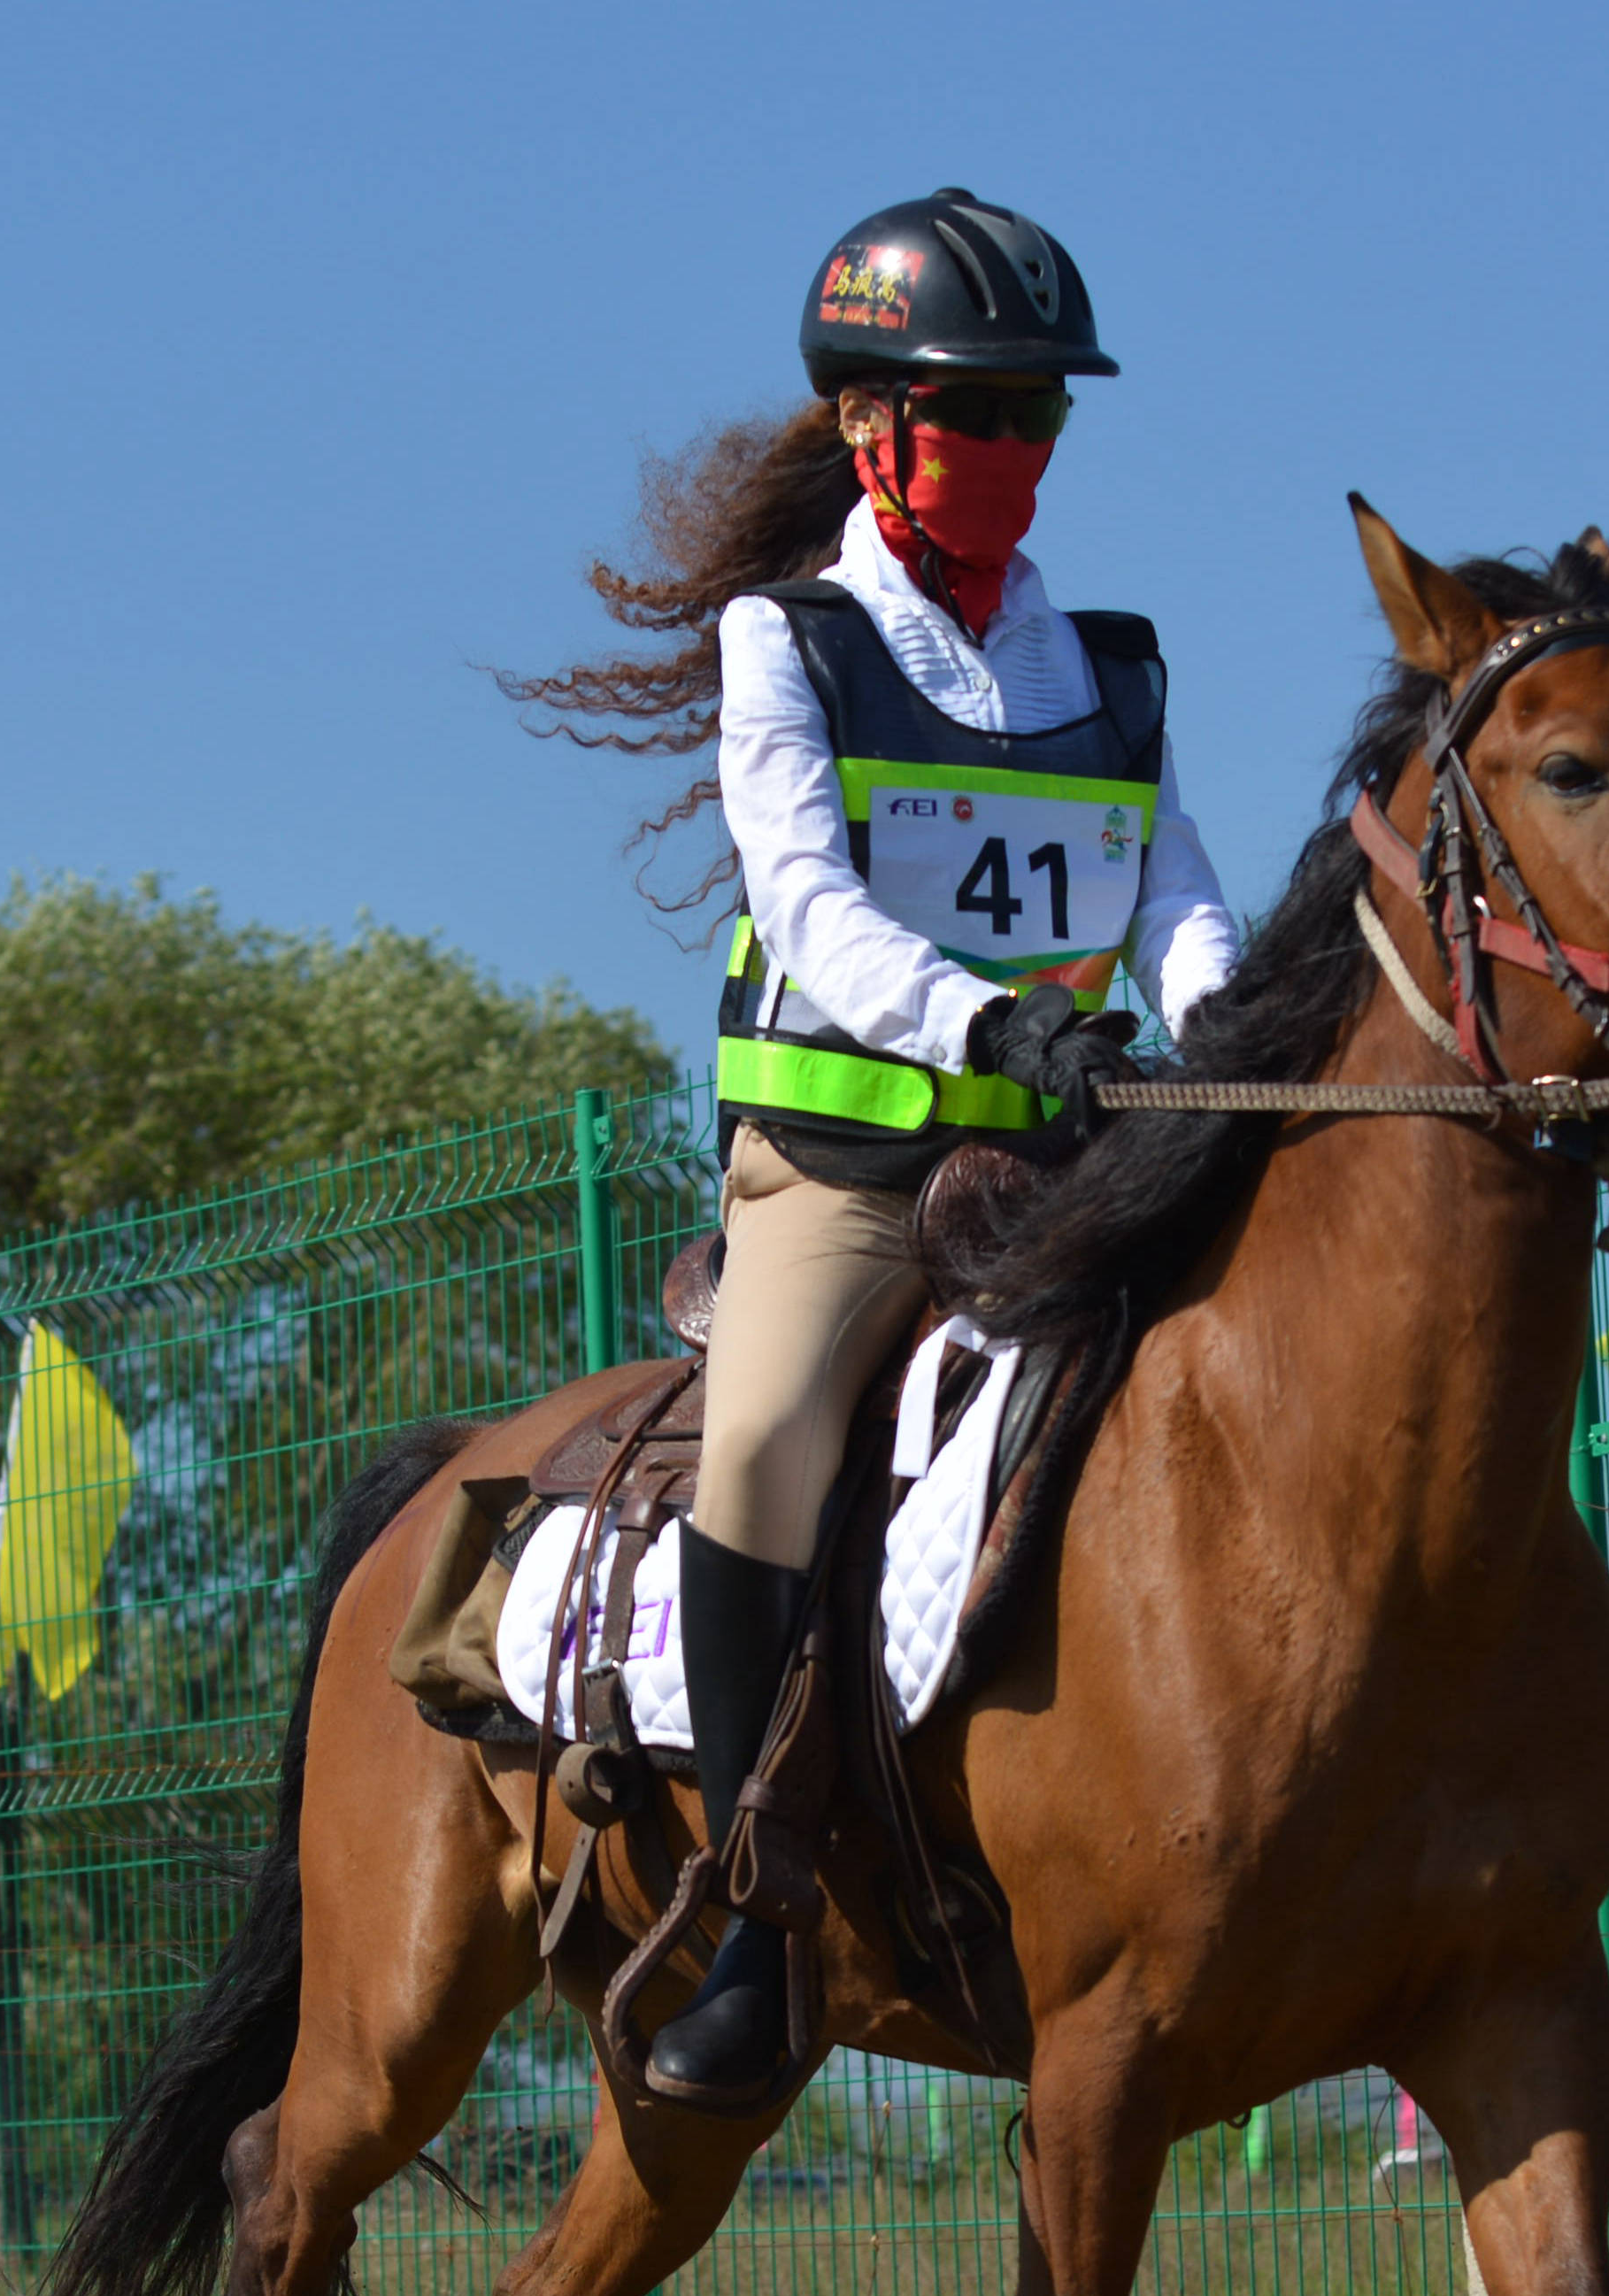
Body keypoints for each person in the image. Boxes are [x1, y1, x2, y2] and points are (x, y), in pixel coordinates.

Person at [512, 188, 1243, 2104]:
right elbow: (814, 908)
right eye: (971, 410)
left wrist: (1225, 1022)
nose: (1010, 449)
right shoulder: (790, 643)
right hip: (840, 1186)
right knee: (761, 1446)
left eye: (1036, 416)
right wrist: (992, 1022)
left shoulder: (1105, 666)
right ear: (869, 425)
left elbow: (1169, 886)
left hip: (1057, 1175)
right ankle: (754, 1928)